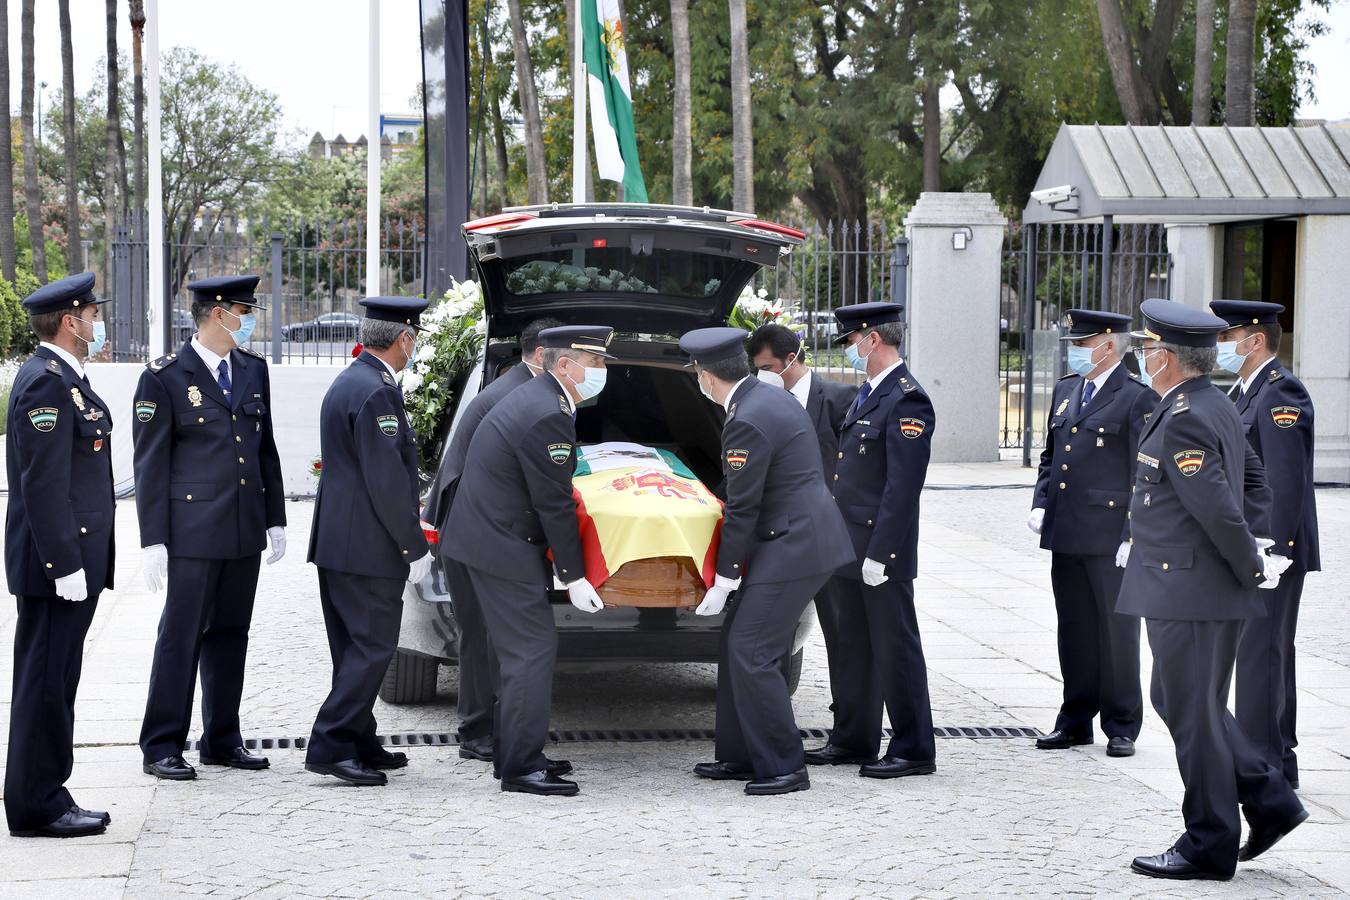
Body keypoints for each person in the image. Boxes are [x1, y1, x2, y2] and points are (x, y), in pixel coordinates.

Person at [1118, 299, 1305, 881]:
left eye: (1150, 349)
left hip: (1190, 588)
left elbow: (1221, 505)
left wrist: (1248, 558)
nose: (1146, 357)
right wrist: (1249, 539)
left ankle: (1209, 841)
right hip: (1186, 584)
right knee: (1179, 702)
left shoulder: (1188, 416)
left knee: (1192, 715)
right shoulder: (1207, 403)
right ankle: (1269, 800)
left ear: (1169, 357)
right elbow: (1253, 479)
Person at [443, 325, 615, 796]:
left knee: (519, 652)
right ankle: (521, 766)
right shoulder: (548, 414)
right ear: (565, 365)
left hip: (489, 539)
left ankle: (516, 751)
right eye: (596, 363)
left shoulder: (542, 397)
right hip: (501, 546)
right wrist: (575, 575)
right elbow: (554, 503)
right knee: (530, 652)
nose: (603, 372)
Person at [683, 327, 854, 796]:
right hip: (796, 538)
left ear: (706, 375)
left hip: (794, 545)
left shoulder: (745, 418)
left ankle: (784, 765)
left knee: (753, 650)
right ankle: (740, 755)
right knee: (740, 642)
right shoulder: (765, 398)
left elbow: (744, 507)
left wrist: (724, 577)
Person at [133, 275, 286, 781]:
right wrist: (153, 537)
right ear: (218, 314)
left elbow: (264, 448)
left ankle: (222, 737)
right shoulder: (165, 376)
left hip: (242, 526)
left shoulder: (251, 369)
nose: (250, 319)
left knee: (230, 634)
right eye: (245, 310)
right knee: (181, 636)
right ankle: (161, 744)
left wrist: (276, 518)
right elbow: (149, 464)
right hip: (193, 531)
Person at [421, 316, 564, 768]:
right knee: (483, 638)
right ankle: (479, 731)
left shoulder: (513, 387)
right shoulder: (518, 394)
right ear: (543, 354)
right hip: (481, 535)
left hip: (474, 532)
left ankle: (493, 730)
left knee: (485, 637)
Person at [803, 302, 937, 778]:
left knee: (895, 647)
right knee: (853, 647)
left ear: (872, 340)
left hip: (880, 552)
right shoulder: (869, 393)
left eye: (852, 341)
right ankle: (853, 738)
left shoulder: (907, 400)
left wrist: (882, 553)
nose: (851, 350)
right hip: (848, 546)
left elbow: (902, 489)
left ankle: (913, 748)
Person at [4, 273, 115, 838]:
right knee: (45, 685)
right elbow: (42, 485)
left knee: (54, 683)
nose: (97, 322)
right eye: (92, 314)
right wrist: (64, 565)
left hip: (68, 563)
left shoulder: (64, 378)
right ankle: (35, 804)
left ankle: (47, 790)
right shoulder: (47, 383)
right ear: (71, 321)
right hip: (56, 570)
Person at [305, 297, 432, 786]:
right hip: (367, 546)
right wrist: (413, 545)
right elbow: (387, 481)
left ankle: (359, 736)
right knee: (373, 647)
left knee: (352, 648)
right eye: (413, 339)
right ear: (403, 338)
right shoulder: (377, 392)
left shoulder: (352, 379)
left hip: (340, 542)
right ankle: (332, 743)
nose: (413, 347)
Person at [1028, 309, 1153, 758]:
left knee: (1117, 632)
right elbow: (1051, 456)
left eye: (1082, 345)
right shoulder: (1067, 389)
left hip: (1109, 535)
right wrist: (1042, 502)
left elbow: (1145, 472)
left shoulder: (1137, 397)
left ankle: (1121, 724)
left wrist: (1131, 534)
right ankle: (1075, 718)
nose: (1076, 352)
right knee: (1075, 629)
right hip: (1068, 530)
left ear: (1108, 346)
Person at [1211, 299, 1319, 789]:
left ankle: (1266, 762)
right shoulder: (1246, 392)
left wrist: (1272, 549)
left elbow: (1284, 480)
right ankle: (1277, 756)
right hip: (1256, 546)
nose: (1220, 347)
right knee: (1265, 650)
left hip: (1273, 549)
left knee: (1264, 652)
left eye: (1227, 337)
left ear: (1255, 341)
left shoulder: (1280, 392)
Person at [747, 322, 858, 740]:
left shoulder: (840, 399)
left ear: (792, 358)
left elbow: (856, 469)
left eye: (769, 366)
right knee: (772, 638)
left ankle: (847, 732)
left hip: (827, 537)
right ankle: (774, 729)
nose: (764, 375)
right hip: (779, 539)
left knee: (842, 638)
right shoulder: (761, 402)